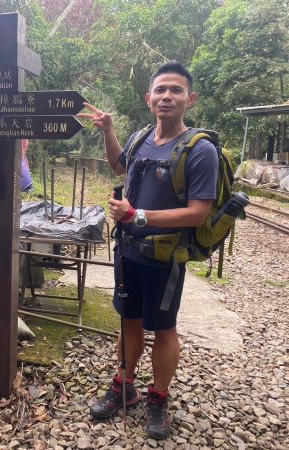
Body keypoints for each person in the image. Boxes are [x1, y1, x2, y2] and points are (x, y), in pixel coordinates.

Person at [77, 61, 218, 439]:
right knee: (129, 320)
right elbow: (120, 167)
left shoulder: (199, 150)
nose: (167, 97)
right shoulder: (141, 138)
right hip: (129, 252)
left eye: (175, 90)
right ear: (149, 98)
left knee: (164, 328)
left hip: (166, 258)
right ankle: (125, 386)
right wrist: (109, 131)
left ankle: (158, 397)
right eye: (160, 90)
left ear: (190, 99)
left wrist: (137, 216)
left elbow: (197, 212)